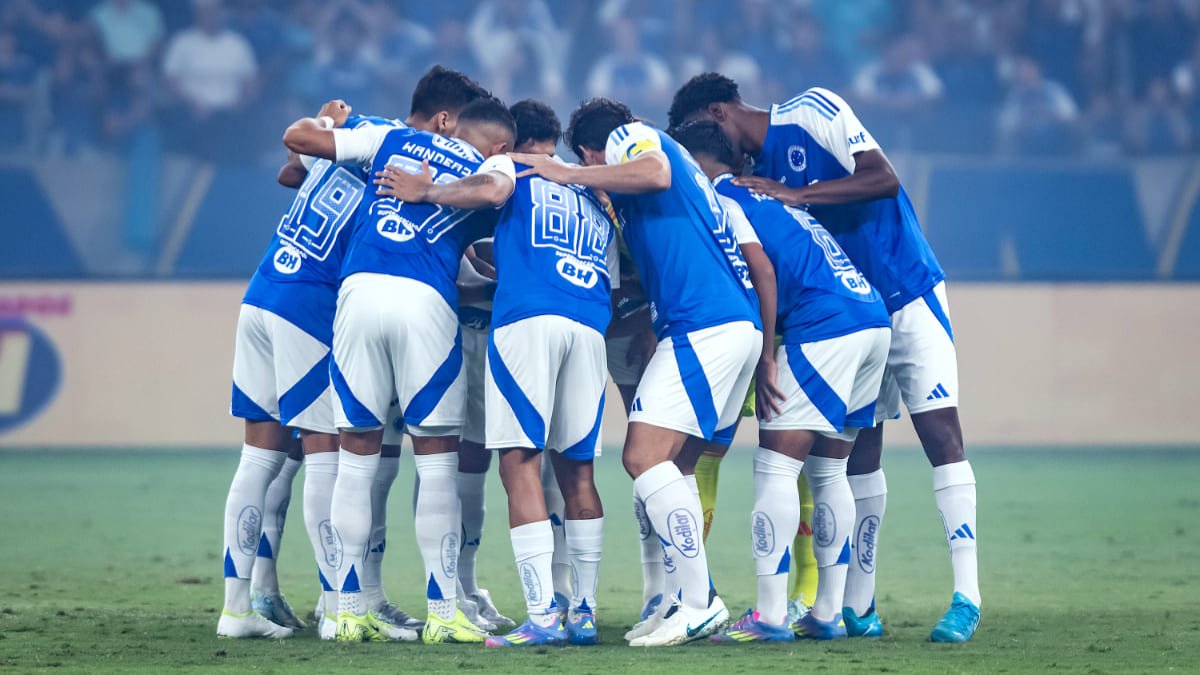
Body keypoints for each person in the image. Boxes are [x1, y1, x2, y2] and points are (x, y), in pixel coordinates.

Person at [668, 73, 981, 643]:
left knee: (940, 436)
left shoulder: (811, 110)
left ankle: (967, 597)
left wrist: (799, 193)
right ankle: (856, 605)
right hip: (860, 308)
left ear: (717, 114)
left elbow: (883, 179)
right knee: (855, 457)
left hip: (908, 289)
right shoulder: (754, 179)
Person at [513, 98, 762, 647]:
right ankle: (678, 598)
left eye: (586, 161)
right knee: (675, 466)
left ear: (590, 150)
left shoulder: (631, 138)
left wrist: (569, 175)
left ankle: (699, 603)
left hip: (704, 323)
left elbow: (653, 172)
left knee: (642, 457)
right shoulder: (674, 179)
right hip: (730, 324)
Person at [375, 102, 615, 648]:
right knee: (578, 473)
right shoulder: (591, 194)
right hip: (588, 327)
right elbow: (611, 278)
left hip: (527, 323)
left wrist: (427, 191)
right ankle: (583, 611)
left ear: (507, 143)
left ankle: (542, 617)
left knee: (519, 463)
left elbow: (490, 190)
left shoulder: (510, 168)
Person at [283, 95, 516, 644]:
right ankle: (443, 612)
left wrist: (329, 118)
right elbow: (495, 191)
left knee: (356, 456)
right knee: (437, 463)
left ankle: (345, 611)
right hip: (424, 301)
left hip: (357, 294)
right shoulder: (494, 163)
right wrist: (431, 193)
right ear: (500, 142)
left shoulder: (389, 137)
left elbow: (299, 142)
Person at [673, 120, 891, 642]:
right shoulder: (770, 196)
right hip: (869, 315)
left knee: (776, 467)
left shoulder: (721, 199)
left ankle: (770, 617)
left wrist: (767, 354)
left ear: (693, 161)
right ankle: (826, 613)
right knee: (829, 471)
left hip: (823, 325)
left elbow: (763, 272)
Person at [221, 103, 403, 641]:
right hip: (309, 310)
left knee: (258, 459)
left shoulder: (344, 146)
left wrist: (324, 122)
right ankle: (337, 607)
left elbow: (289, 170)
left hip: (262, 294)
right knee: (327, 457)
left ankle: (236, 610)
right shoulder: (396, 165)